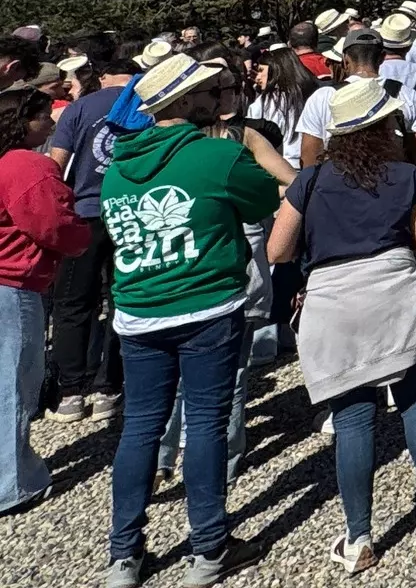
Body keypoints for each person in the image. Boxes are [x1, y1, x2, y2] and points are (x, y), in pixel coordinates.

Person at [100, 54, 282, 588]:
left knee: (140, 428)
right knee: (204, 423)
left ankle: (123, 556)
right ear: (182, 102)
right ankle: (208, 546)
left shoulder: (115, 170)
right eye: (205, 90)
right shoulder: (214, 156)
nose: (215, 97)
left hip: (138, 310)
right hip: (206, 304)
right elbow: (259, 203)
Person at [268, 80, 416, 572]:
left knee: (353, 416)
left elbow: (277, 250)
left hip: (333, 295)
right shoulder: (407, 176)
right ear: (382, 127)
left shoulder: (309, 181)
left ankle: (359, 536)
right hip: (393, 287)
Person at [0, 85, 89, 513]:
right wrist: (85, 238)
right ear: (21, 122)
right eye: (42, 117)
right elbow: (55, 225)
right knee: (14, 384)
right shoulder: (26, 166)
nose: (51, 123)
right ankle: (12, 484)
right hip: (12, 286)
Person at [47, 53, 141, 423]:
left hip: (84, 213)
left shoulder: (79, 109)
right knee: (123, 298)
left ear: (103, 76)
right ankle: (109, 387)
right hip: (130, 212)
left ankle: (71, 391)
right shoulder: (143, 105)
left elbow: (56, 164)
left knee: (72, 303)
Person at [297, 30, 416, 167]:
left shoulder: (323, 97)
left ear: (345, 60)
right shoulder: (407, 95)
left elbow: (309, 159)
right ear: (382, 57)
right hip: (393, 184)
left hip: (337, 183)